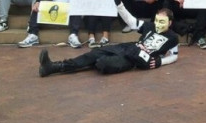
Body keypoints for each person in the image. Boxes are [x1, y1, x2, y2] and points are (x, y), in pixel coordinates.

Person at [38, 6, 178, 77]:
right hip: (130, 47)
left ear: (170, 23)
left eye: (162, 21)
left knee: (102, 63)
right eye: (157, 20)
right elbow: (131, 21)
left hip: (138, 58)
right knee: (94, 53)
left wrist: (161, 62)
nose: (158, 24)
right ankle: (54, 67)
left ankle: (92, 64)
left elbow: (175, 55)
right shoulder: (149, 26)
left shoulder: (172, 37)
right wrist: (119, 4)